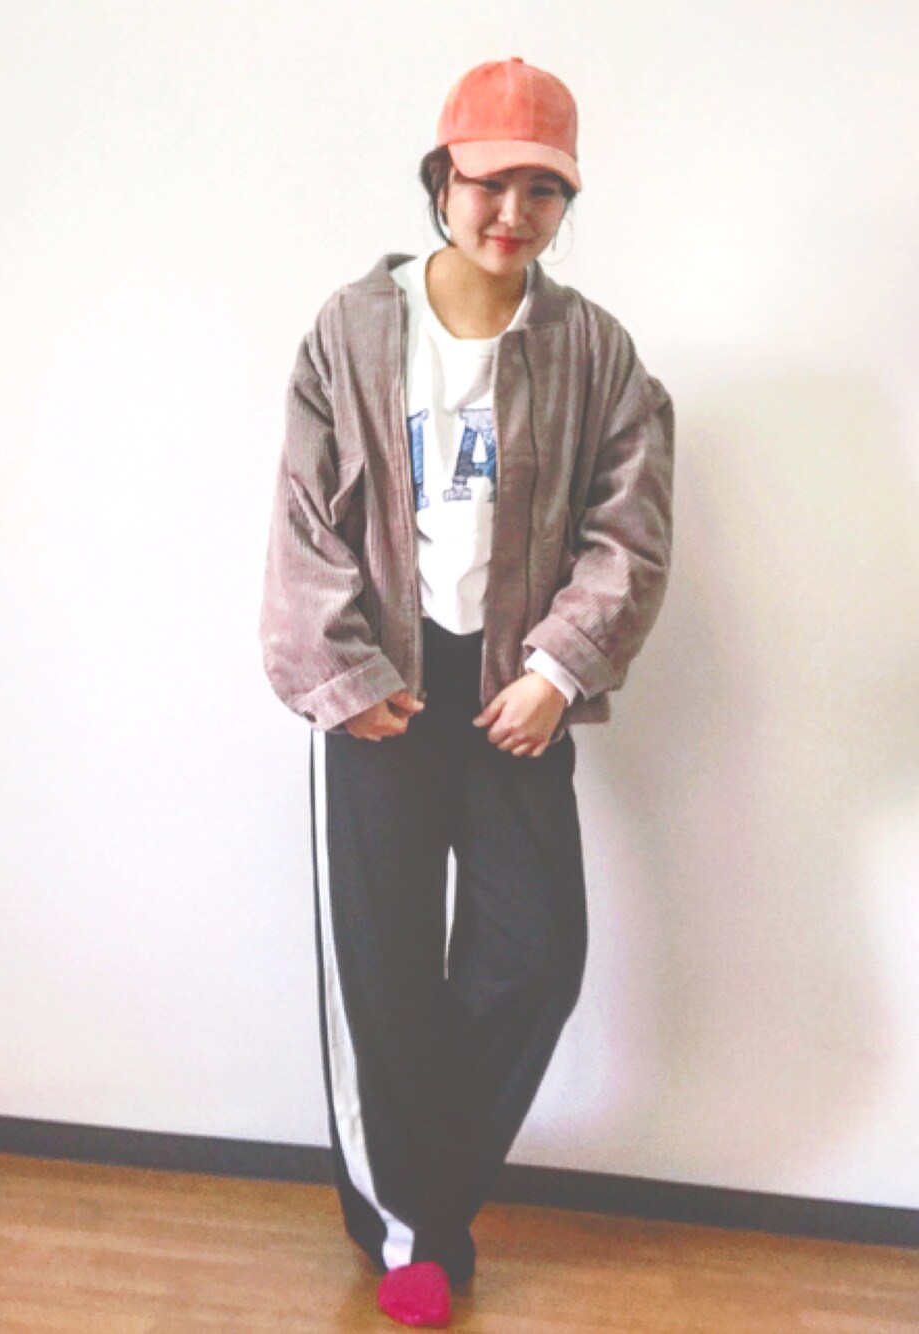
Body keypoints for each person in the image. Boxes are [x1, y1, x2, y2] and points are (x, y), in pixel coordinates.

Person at [260, 57, 674, 1330]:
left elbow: (630, 529)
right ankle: (415, 1232)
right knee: (380, 966)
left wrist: (556, 669)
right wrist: (339, 673)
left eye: (544, 191)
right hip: (380, 685)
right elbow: (302, 518)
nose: (514, 213)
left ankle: (416, 1188)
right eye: (492, 182)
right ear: (442, 179)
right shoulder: (351, 328)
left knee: (535, 949)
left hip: (513, 690)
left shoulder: (592, 347)